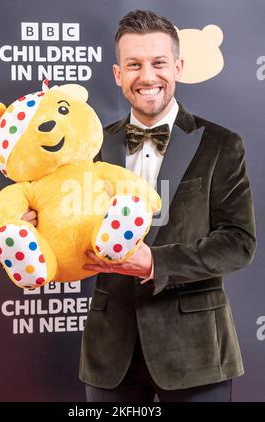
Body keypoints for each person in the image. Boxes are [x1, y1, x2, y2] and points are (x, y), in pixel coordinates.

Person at [22, 10, 256, 402]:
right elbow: (67, 223)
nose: (147, 77)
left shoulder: (221, 144)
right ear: (118, 74)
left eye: (158, 62)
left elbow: (238, 243)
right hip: (109, 354)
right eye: (134, 64)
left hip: (196, 353)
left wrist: (155, 264)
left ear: (178, 67)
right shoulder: (89, 147)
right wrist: (37, 225)